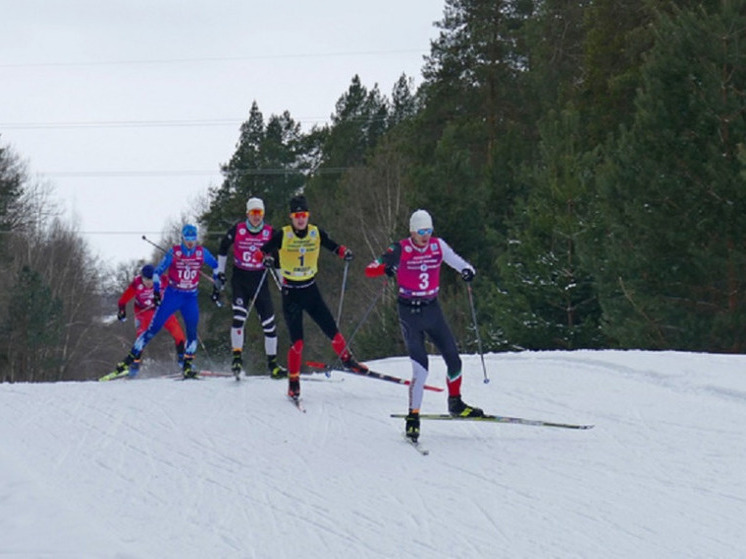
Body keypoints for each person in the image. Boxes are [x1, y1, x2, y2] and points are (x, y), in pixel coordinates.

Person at [365, 209, 484, 442]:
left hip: (432, 308)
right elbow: (370, 269)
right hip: (409, 311)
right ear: (412, 231)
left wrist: (468, 271)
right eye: (421, 231)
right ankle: (413, 417)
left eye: (429, 230)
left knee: (454, 358)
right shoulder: (399, 249)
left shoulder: (438, 246)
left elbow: (459, 262)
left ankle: (456, 403)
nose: (425, 236)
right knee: (421, 368)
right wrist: (385, 268)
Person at [255, 194, 366, 400]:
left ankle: (348, 360)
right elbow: (259, 252)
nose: (300, 219)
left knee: (331, 328)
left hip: (310, 290)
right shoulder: (284, 235)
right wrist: (266, 259)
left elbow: (333, 245)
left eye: (303, 215)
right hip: (291, 293)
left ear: (308, 215)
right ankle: (294, 382)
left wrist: (344, 252)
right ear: (291, 216)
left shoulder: (316, 232)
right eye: (297, 215)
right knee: (297, 342)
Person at [108, 224, 222, 379]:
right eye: (187, 239)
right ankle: (126, 363)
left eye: (193, 239)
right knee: (151, 331)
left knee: (191, 332)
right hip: (173, 295)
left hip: (190, 296)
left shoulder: (202, 253)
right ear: (182, 238)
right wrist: (156, 292)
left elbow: (216, 266)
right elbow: (157, 273)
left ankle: (187, 365)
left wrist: (217, 285)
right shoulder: (174, 252)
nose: (190, 242)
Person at [216, 196, 287, 379]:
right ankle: (237, 358)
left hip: (259, 279)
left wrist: (282, 283)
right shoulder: (238, 230)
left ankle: (273, 364)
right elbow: (223, 247)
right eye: (254, 213)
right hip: (240, 278)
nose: (257, 217)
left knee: (269, 324)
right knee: (239, 316)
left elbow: (277, 258)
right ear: (248, 213)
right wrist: (220, 272)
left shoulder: (269, 232)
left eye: (260, 213)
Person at [112, 264, 186, 377]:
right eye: (145, 279)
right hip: (144, 312)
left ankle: (183, 361)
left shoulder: (162, 280)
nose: (148, 282)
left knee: (177, 332)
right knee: (141, 337)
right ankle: (134, 366)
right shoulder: (137, 284)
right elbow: (123, 300)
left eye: (151, 279)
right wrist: (122, 311)